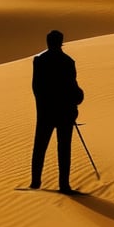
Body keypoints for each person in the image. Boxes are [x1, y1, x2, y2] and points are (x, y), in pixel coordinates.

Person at [30, 29, 84, 194]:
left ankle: (35, 182)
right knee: (64, 148)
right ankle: (64, 185)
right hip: (64, 112)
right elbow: (74, 88)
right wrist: (76, 101)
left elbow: (37, 88)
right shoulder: (68, 61)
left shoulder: (39, 60)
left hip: (46, 112)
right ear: (61, 42)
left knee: (40, 147)